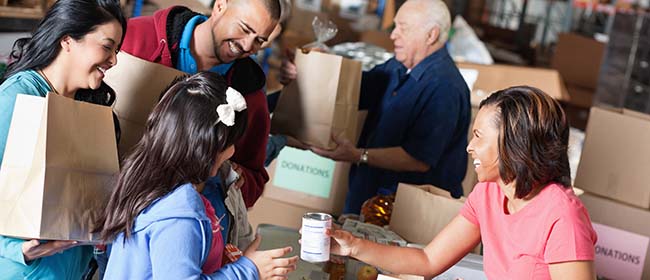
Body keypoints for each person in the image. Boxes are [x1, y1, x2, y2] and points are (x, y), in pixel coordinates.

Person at [325, 86, 598, 279]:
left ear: (514, 144)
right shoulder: (488, 194)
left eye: (479, 136)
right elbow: (428, 260)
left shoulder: (562, 216)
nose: (470, 147)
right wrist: (352, 245)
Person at [97, 72, 298, 279]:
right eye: (229, 144)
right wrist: (248, 271)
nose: (232, 153)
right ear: (206, 148)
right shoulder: (180, 212)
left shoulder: (143, 181)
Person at [280, 0, 470, 214]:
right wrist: (310, 71)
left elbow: (419, 158)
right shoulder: (398, 66)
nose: (393, 35)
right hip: (368, 199)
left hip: (409, 215)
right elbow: (352, 91)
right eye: (394, 26)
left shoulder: (444, 87)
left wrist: (358, 155)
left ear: (431, 35)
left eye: (403, 28)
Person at [0, 0, 126, 279]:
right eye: (107, 46)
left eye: (117, 50)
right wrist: (14, 249)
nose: (114, 60)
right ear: (67, 40)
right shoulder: (17, 98)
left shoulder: (89, 106)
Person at [120, 0, 281, 208]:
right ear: (220, 6)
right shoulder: (136, 37)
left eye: (259, 40)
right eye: (244, 29)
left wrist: (239, 180)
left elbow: (254, 179)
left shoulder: (250, 95)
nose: (248, 46)